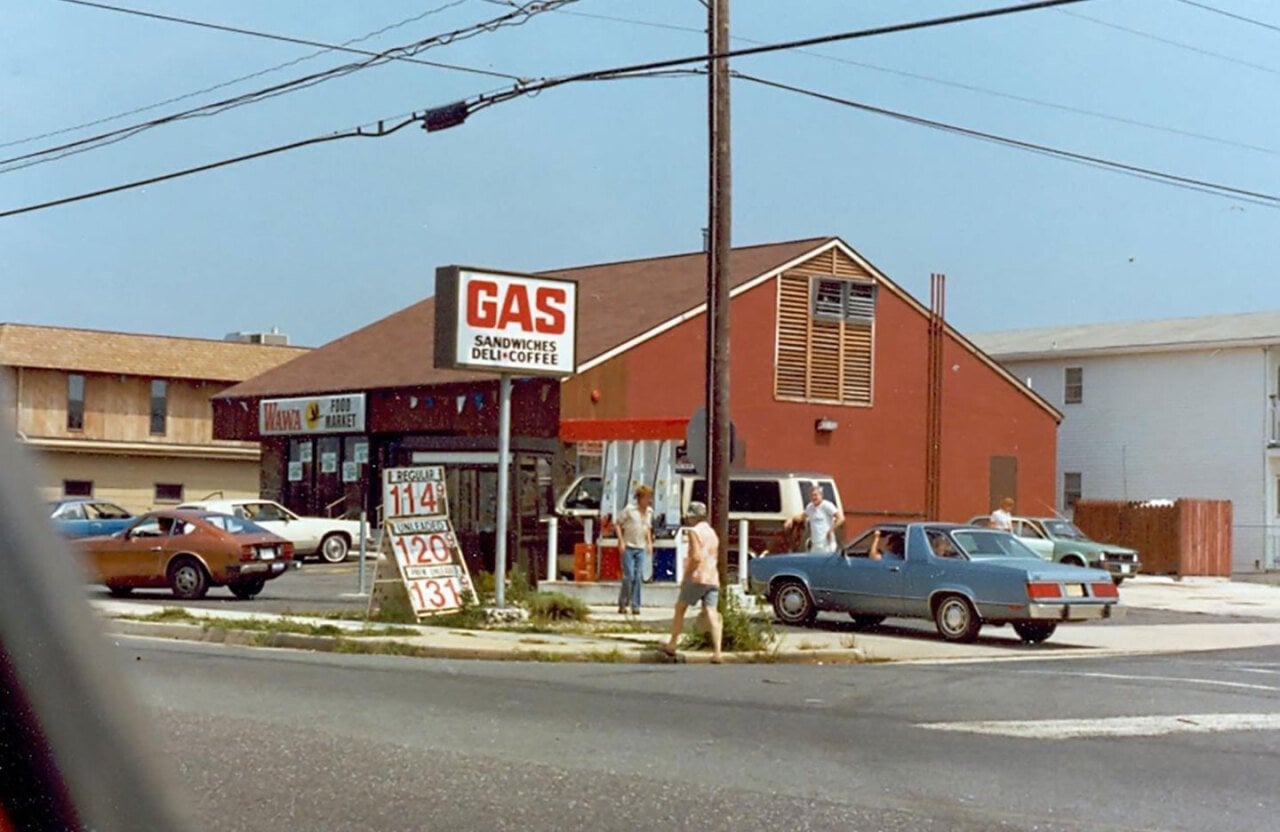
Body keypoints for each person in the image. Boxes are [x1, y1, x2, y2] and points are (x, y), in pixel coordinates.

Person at [660, 502, 723, 663]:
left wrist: (686, 576)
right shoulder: (711, 532)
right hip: (712, 577)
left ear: (693, 516)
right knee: (712, 612)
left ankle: (673, 643)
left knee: (680, 608)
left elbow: (695, 556)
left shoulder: (694, 532)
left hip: (697, 576)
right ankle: (717, 651)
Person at [614, 485, 654, 615]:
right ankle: (623, 602)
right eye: (647, 498)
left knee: (638, 576)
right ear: (640, 498)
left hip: (640, 547)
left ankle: (636, 605)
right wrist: (620, 541)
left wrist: (649, 542)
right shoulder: (630, 510)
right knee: (629, 576)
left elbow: (647, 528)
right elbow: (618, 523)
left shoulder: (649, 512)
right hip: (628, 546)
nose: (649, 500)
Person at [786, 485, 843, 552]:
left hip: (827, 545)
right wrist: (791, 519)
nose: (814, 497)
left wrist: (831, 530)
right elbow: (801, 517)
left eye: (816, 495)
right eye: (812, 495)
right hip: (815, 545)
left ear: (821, 495)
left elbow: (841, 518)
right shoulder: (810, 507)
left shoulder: (827, 505)